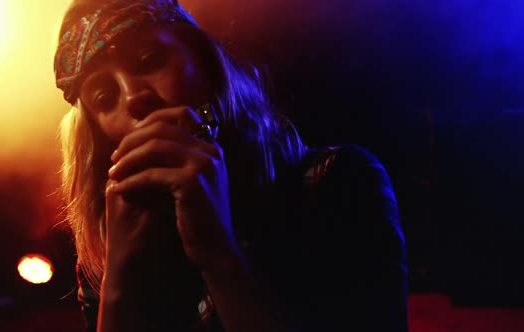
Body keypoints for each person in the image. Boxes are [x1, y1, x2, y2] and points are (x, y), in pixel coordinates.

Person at [54, 0, 408, 331]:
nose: (133, 97)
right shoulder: (108, 250)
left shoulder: (337, 183)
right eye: (104, 98)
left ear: (204, 61)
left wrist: (217, 252)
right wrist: (120, 279)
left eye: (149, 59)